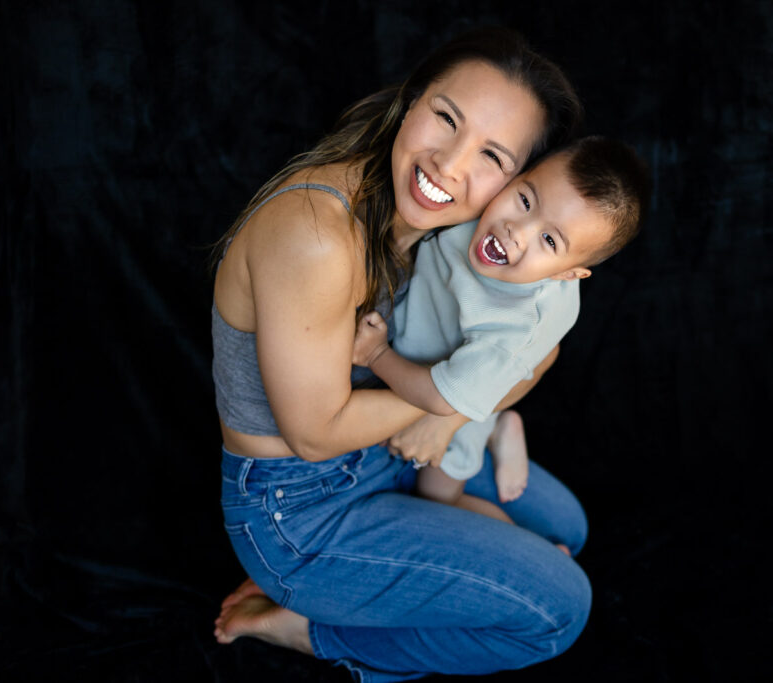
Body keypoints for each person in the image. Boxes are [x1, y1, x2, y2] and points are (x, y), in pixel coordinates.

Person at [211, 27, 592, 681]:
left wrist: (443, 413)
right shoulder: (319, 233)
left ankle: (385, 584)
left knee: (568, 526)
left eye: (492, 155)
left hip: (383, 453)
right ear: (409, 102)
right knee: (560, 607)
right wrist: (444, 399)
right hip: (302, 508)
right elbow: (313, 431)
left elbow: (540, 356)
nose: (449, 165)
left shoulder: (474, 234)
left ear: (515, 182)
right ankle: (315, 625)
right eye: (446, 117)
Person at [352, 136, 648, 511]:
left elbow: (440, 399)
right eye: (525, 200)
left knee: (437, 496)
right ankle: (502, 425)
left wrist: (375, 354)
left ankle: (534, 548)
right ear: (517, 176)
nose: (516, 230)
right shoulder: (480, 208)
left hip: (463, 383)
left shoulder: (515, 327)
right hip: (438, 342)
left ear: (569, 274)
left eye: (548, 241)